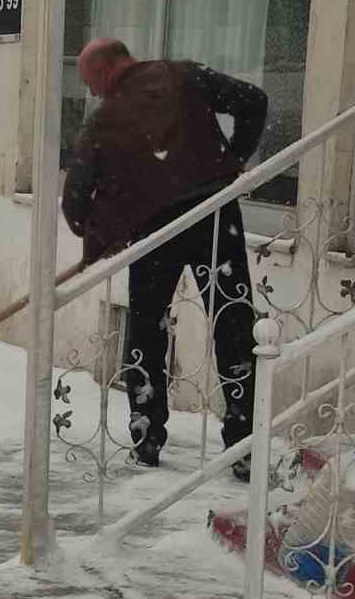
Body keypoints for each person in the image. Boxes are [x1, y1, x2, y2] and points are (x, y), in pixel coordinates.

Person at [61, 38, 268, 479]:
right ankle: (244, 441)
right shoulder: (185, 76)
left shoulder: (105, 120)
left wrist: (97, 237)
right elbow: (253, 100)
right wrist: (231, 161)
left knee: (147, 328)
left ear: (105, 71)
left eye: (90, 83)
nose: (94, 94)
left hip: (155, 232)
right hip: (213, 215)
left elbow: (78, 197)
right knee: (232, 321)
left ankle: (147, 435)